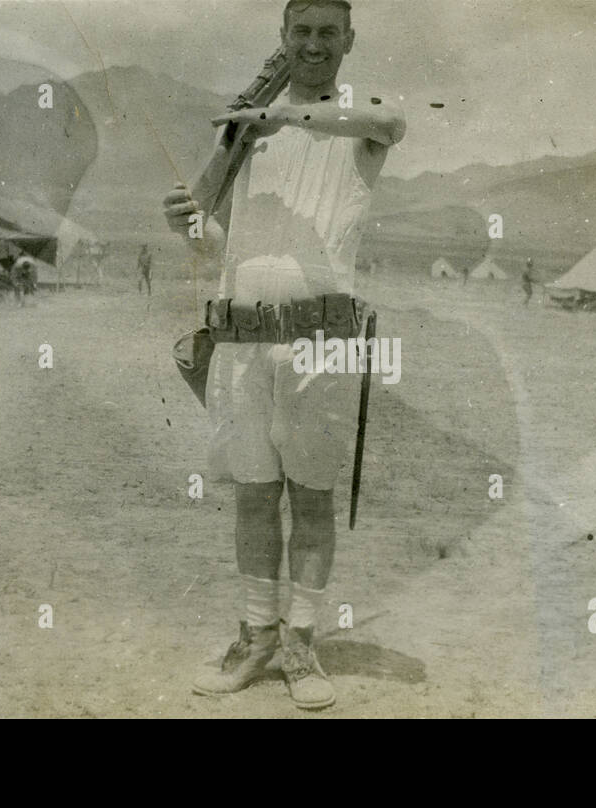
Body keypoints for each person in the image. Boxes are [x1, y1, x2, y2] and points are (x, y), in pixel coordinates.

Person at [162, 0, 404, 709]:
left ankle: (301, 643)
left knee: (313, 498)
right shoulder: (245, 140)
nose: (315, 44)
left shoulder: (361, 119)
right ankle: (255, 636)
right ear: (284, 38)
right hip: (240, 342)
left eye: (329, 33)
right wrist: (186, 223)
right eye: (302, 32)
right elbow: (215, 240)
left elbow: (388, 123)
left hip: (320, 346)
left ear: (349, 40)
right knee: (254, 497)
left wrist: (272, 116)